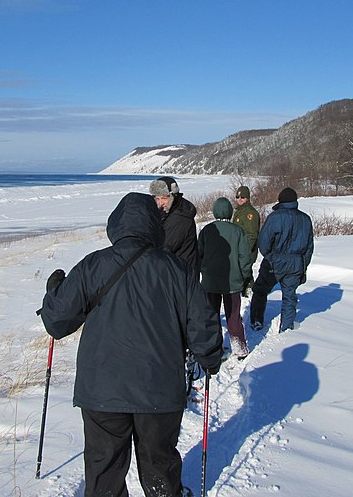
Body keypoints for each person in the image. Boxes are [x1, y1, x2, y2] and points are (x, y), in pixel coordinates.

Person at [39, 192, 223, 497]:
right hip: (159, 391)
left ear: (116, 224)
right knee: (159, 466)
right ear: (154, 225)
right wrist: (211, 358)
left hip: (102, 390)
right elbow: (203, 324)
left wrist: (54, 290)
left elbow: (56, 322)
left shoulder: (93, 265)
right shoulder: (178, 270)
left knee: (104, 472)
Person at [249, 187, 314, 333]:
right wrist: (303, 265)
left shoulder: (275, 217)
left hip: (275, 262)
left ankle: (256, 321)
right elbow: (309, 247)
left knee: (260, 290)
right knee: (289, 296)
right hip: (296, 263)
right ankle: (287, 328)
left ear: (281, 200)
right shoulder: (305, 219)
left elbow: (264, 242)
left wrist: (271, 257)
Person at [198, 197, 253, 359]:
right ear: (230, 211)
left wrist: (204, 271)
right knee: (233, 315)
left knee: (211, 315)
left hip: (210, 281)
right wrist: (245, 276)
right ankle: (239, 347)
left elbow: (199, 254)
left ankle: (215, 348)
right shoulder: (237, 231)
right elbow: (245, 257)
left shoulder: (207, 231)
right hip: (232, 282)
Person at [149, 176, 200, 272]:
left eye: (164, 198)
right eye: (157, 198)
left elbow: (164, 248)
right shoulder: (168, 212)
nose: (160, 203)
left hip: (182, 275)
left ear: (173, 196)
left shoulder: (180, 218)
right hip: (176, 271)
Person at [232, 185, 260, 297]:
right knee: (241, 271)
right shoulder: (239, 211)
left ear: (247, 198)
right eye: (237, 197)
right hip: (239, 249)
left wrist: (244, 251)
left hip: (246, 250)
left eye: (242, 197)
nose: (239, 199)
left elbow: (252, 235)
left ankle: (248, 290)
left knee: (245, 271)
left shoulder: (250, 213)